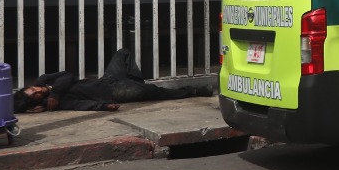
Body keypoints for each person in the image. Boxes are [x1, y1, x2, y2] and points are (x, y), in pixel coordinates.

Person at [14, 49, 211, 113]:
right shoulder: (57, 102)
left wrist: (49, 88)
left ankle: (136, 83)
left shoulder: (48, 85)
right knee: (156, 92)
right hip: (113, 91)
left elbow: (67, 75)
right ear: (35, 105)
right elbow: (82, 105)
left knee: (122, 53)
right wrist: (104, 105)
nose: (37, 89)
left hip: (107, 80)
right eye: (35, 94)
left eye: (32, 88)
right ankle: (195, 90)